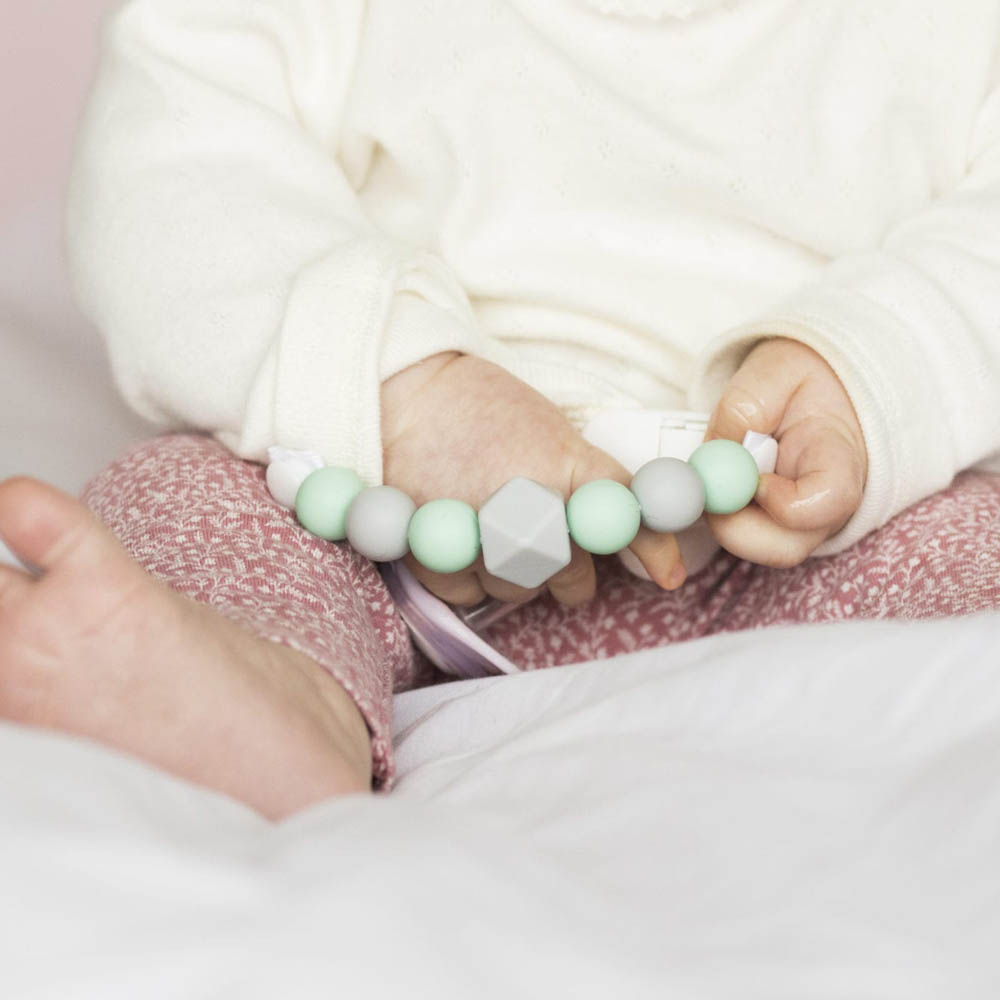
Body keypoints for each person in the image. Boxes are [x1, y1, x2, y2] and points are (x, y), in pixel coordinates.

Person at [2, 0, 999, 820]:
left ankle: (911, 742)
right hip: (381, 525)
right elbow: (180, 162)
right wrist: (405, 389)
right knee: (184, 496)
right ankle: (271, 697)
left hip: (790, 542)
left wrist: (875, 369)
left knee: (970, 543)